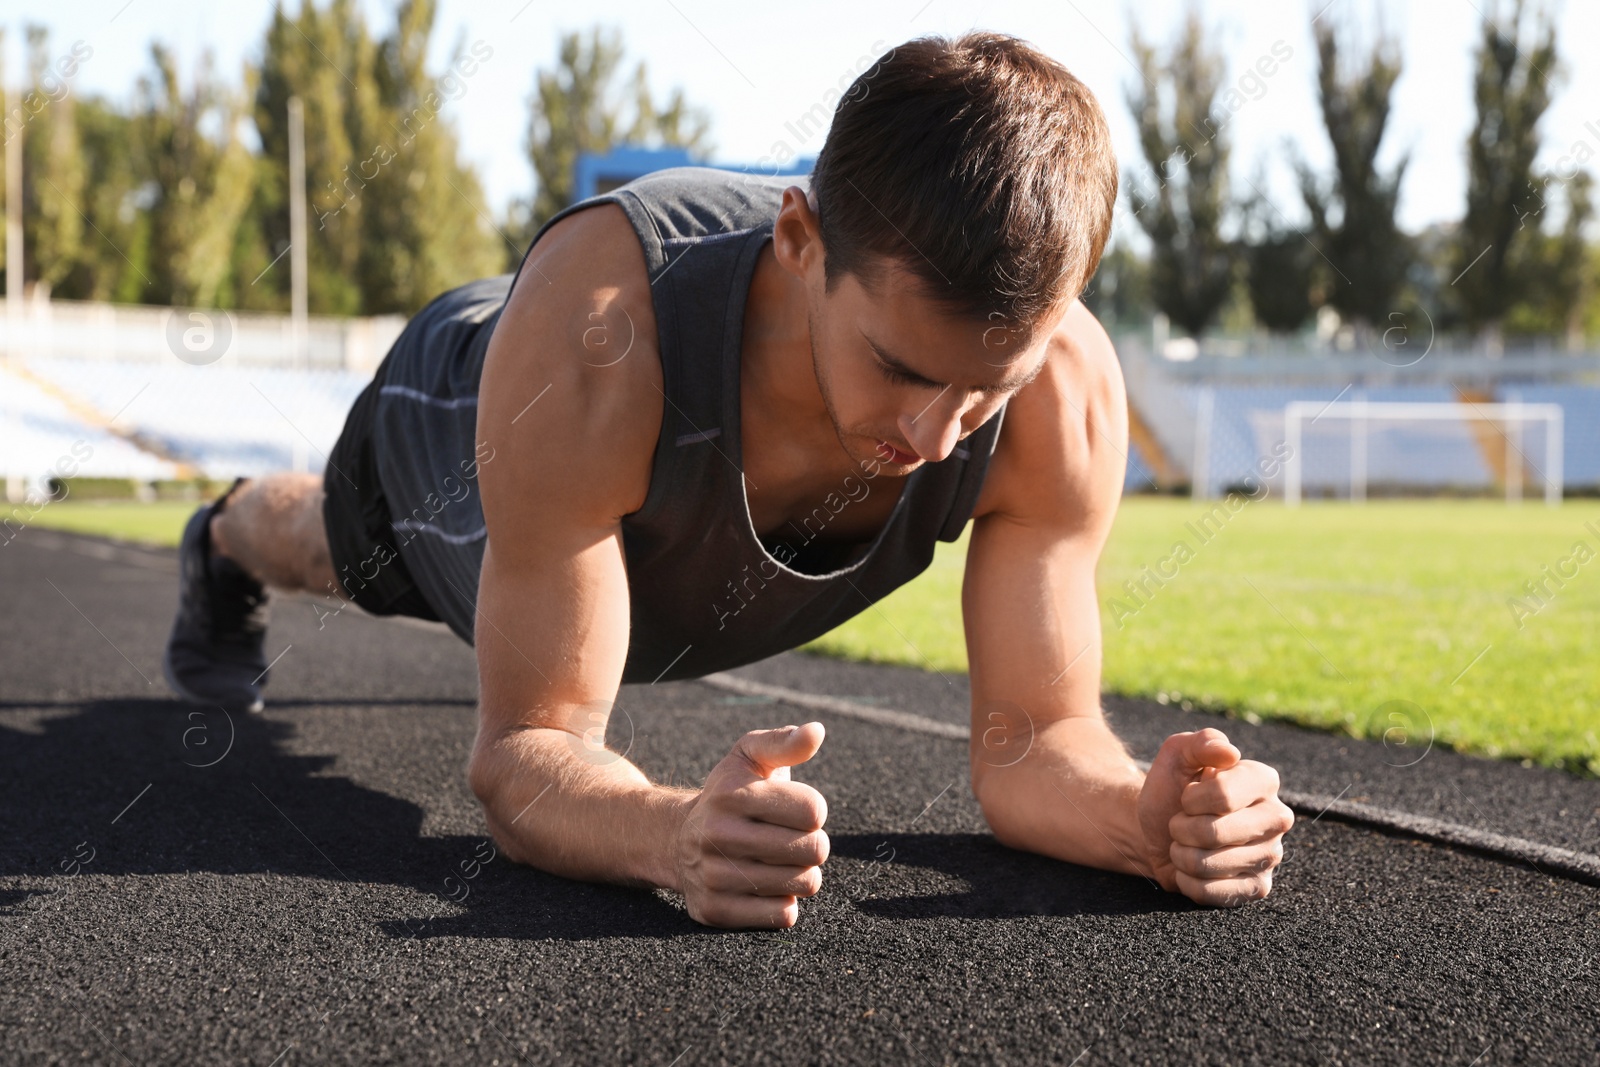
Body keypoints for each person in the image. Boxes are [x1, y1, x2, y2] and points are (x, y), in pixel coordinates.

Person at [163, 32, 1293, 928]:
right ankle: (220, 538)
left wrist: (1141, 817)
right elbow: (523, 752)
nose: (936, 436)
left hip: (638, 499)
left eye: (982, 389)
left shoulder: (1062, 392)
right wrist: (670, 831)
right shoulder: (603, 333)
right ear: (799, 239)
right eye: (898, 366)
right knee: (334, 550)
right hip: (473, 408)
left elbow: (1034, 746)